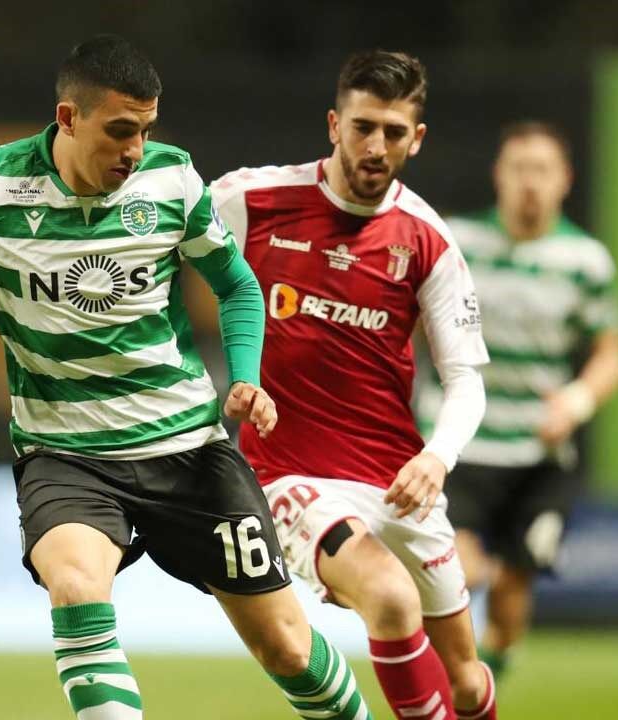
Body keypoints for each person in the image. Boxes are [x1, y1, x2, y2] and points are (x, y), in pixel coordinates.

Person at [0, 35, 377, 720]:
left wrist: (246, 377)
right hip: (67, 457)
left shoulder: (172, 181)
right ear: (68, 118)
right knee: (75, 587)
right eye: (120, 130)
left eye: (146, 130)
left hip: (188, 449)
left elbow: (238, 286)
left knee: (286, 647)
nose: (135, 150)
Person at [213, 50, 496, 720]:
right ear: (334, 124)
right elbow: (158, 254)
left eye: (393, 133)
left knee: (465, 680)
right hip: (289, 473)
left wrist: (436, 457)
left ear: (416, 139)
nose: (375, 146)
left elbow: (466, 379)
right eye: (363, 127)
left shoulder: (427, 240)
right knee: (390, 599)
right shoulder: (250, 200)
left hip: (397, 479)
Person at [415, 121, 618, 678]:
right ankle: (460, 685)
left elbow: (611, 355)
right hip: (460, 443)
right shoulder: (457, 241)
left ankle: (487, 679)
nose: (530, 182)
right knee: (459, 570)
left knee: (514, 588)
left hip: (538, 450)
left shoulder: (585, 261)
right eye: (519, 169)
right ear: (499, 176)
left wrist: (577, 401)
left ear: (565, 180)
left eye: (542, 170)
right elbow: (407, 321)